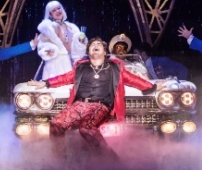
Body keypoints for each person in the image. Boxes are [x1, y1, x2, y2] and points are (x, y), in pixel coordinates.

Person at [27, 37, 159, 160]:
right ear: (89, 51)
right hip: (78, 105)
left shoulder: (116, 67)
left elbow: (133, 79)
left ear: (104, 51)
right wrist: (45, 83)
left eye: (99, 45)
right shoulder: (81, 67)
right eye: (92, 45)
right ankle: (60, 159)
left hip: (100, 105)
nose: (95, 46)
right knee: (56, 124)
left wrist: (152, 86)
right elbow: (64, 78)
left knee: (86, 129)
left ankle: (111, 161)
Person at [36, 0, 87, 79]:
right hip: (58, 66)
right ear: (50, 14)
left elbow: (78, 46)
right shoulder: (51, 27)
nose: (57, 11)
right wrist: (48, 50)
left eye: (58, 8)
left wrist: (82, 42)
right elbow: (42, 45)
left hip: (74, 63)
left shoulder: (71, 27)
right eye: (54, 10)